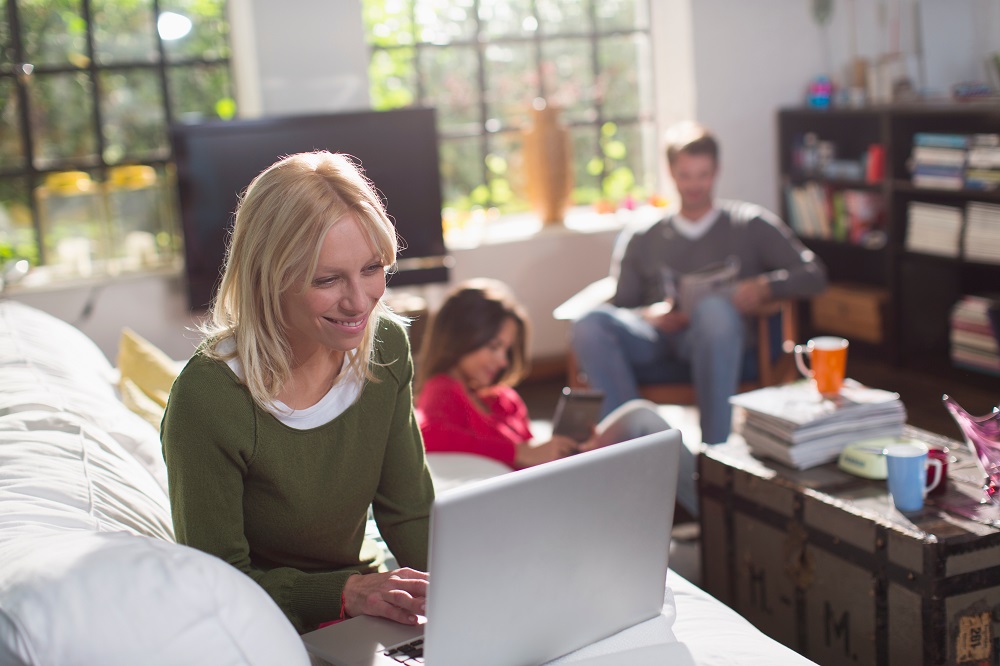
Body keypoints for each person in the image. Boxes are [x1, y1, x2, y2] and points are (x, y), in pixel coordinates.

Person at [161, 151, 434, 635]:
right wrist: (344, 592)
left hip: (361, 608)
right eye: (327, 279)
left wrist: (472, 591)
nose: (359, 302)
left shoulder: (387, 345)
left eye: (372, 269)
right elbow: (219, 582)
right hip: (265, 626)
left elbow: (410, 512)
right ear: (268, 276)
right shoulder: (209, 399)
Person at [571, 121, 827, 445]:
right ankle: (631, 448)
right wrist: (648, 315)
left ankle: (714, 454)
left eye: (702, 175)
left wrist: (765, 287)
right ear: (671, 172)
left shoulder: (749, 224)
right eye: (685, 175)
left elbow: (813, 274)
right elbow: (622, 304)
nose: (694, 185)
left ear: (716, 171)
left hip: (719, 337)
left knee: (714, 312)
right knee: (588, 325)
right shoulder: (642, 235)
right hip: (656, 338)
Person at [414, 279, 699, 516]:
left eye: (507, 350)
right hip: (537, 504)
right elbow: (428, 436)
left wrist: (562, 448)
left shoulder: (502, 398)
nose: (502, 360)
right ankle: (712, 506)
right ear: (462, 336)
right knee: (640, 419)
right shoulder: (443, 388)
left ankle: (705, 505)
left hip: (555, 482)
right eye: (493, 346)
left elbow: (531, 452)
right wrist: (522, 453)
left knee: (644, 429)